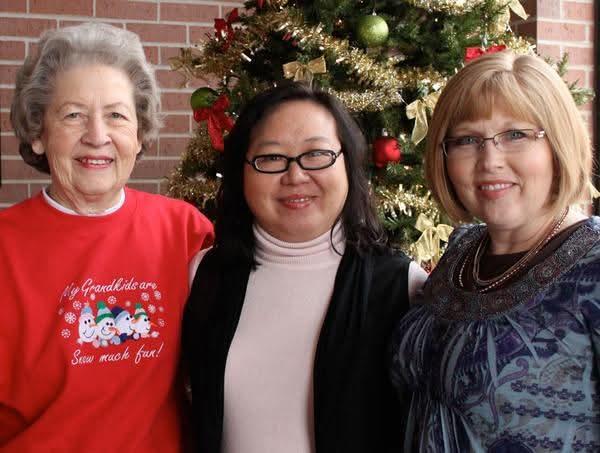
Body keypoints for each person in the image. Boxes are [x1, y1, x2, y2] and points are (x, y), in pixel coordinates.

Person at [1, 23, 214, 451]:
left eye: (116, 115)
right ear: (39, 134)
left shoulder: (187, 232)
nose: (97, 136)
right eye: (73, 114)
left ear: (138, 134)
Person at [183, 82, 427, 453]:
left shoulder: (402, 285)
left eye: (317, 154)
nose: (295, 175)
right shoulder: (204, 274)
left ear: (348, 164)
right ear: (242, 172)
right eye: (271, 158)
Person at [390, 50, 600, 452]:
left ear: (557, 143)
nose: (490, 161)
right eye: (467, 140)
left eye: (516, 135)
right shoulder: (461, 252)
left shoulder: (593, 265)